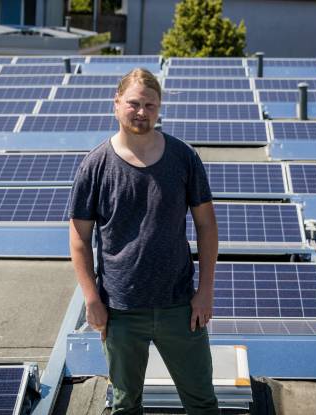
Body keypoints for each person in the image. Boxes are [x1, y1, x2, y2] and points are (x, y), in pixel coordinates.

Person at [68, 67, 220, 415]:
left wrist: (205, 291)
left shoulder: (184, 158)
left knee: (202, 402)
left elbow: (206, 226)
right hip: (120, 311)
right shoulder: (95, 166)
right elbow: (79, 238)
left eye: (150, 105)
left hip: (180, 307)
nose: (142, 112)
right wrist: (91, 299)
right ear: (117, 103)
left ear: (159, 107)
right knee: (125, 405)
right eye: (134, 103)